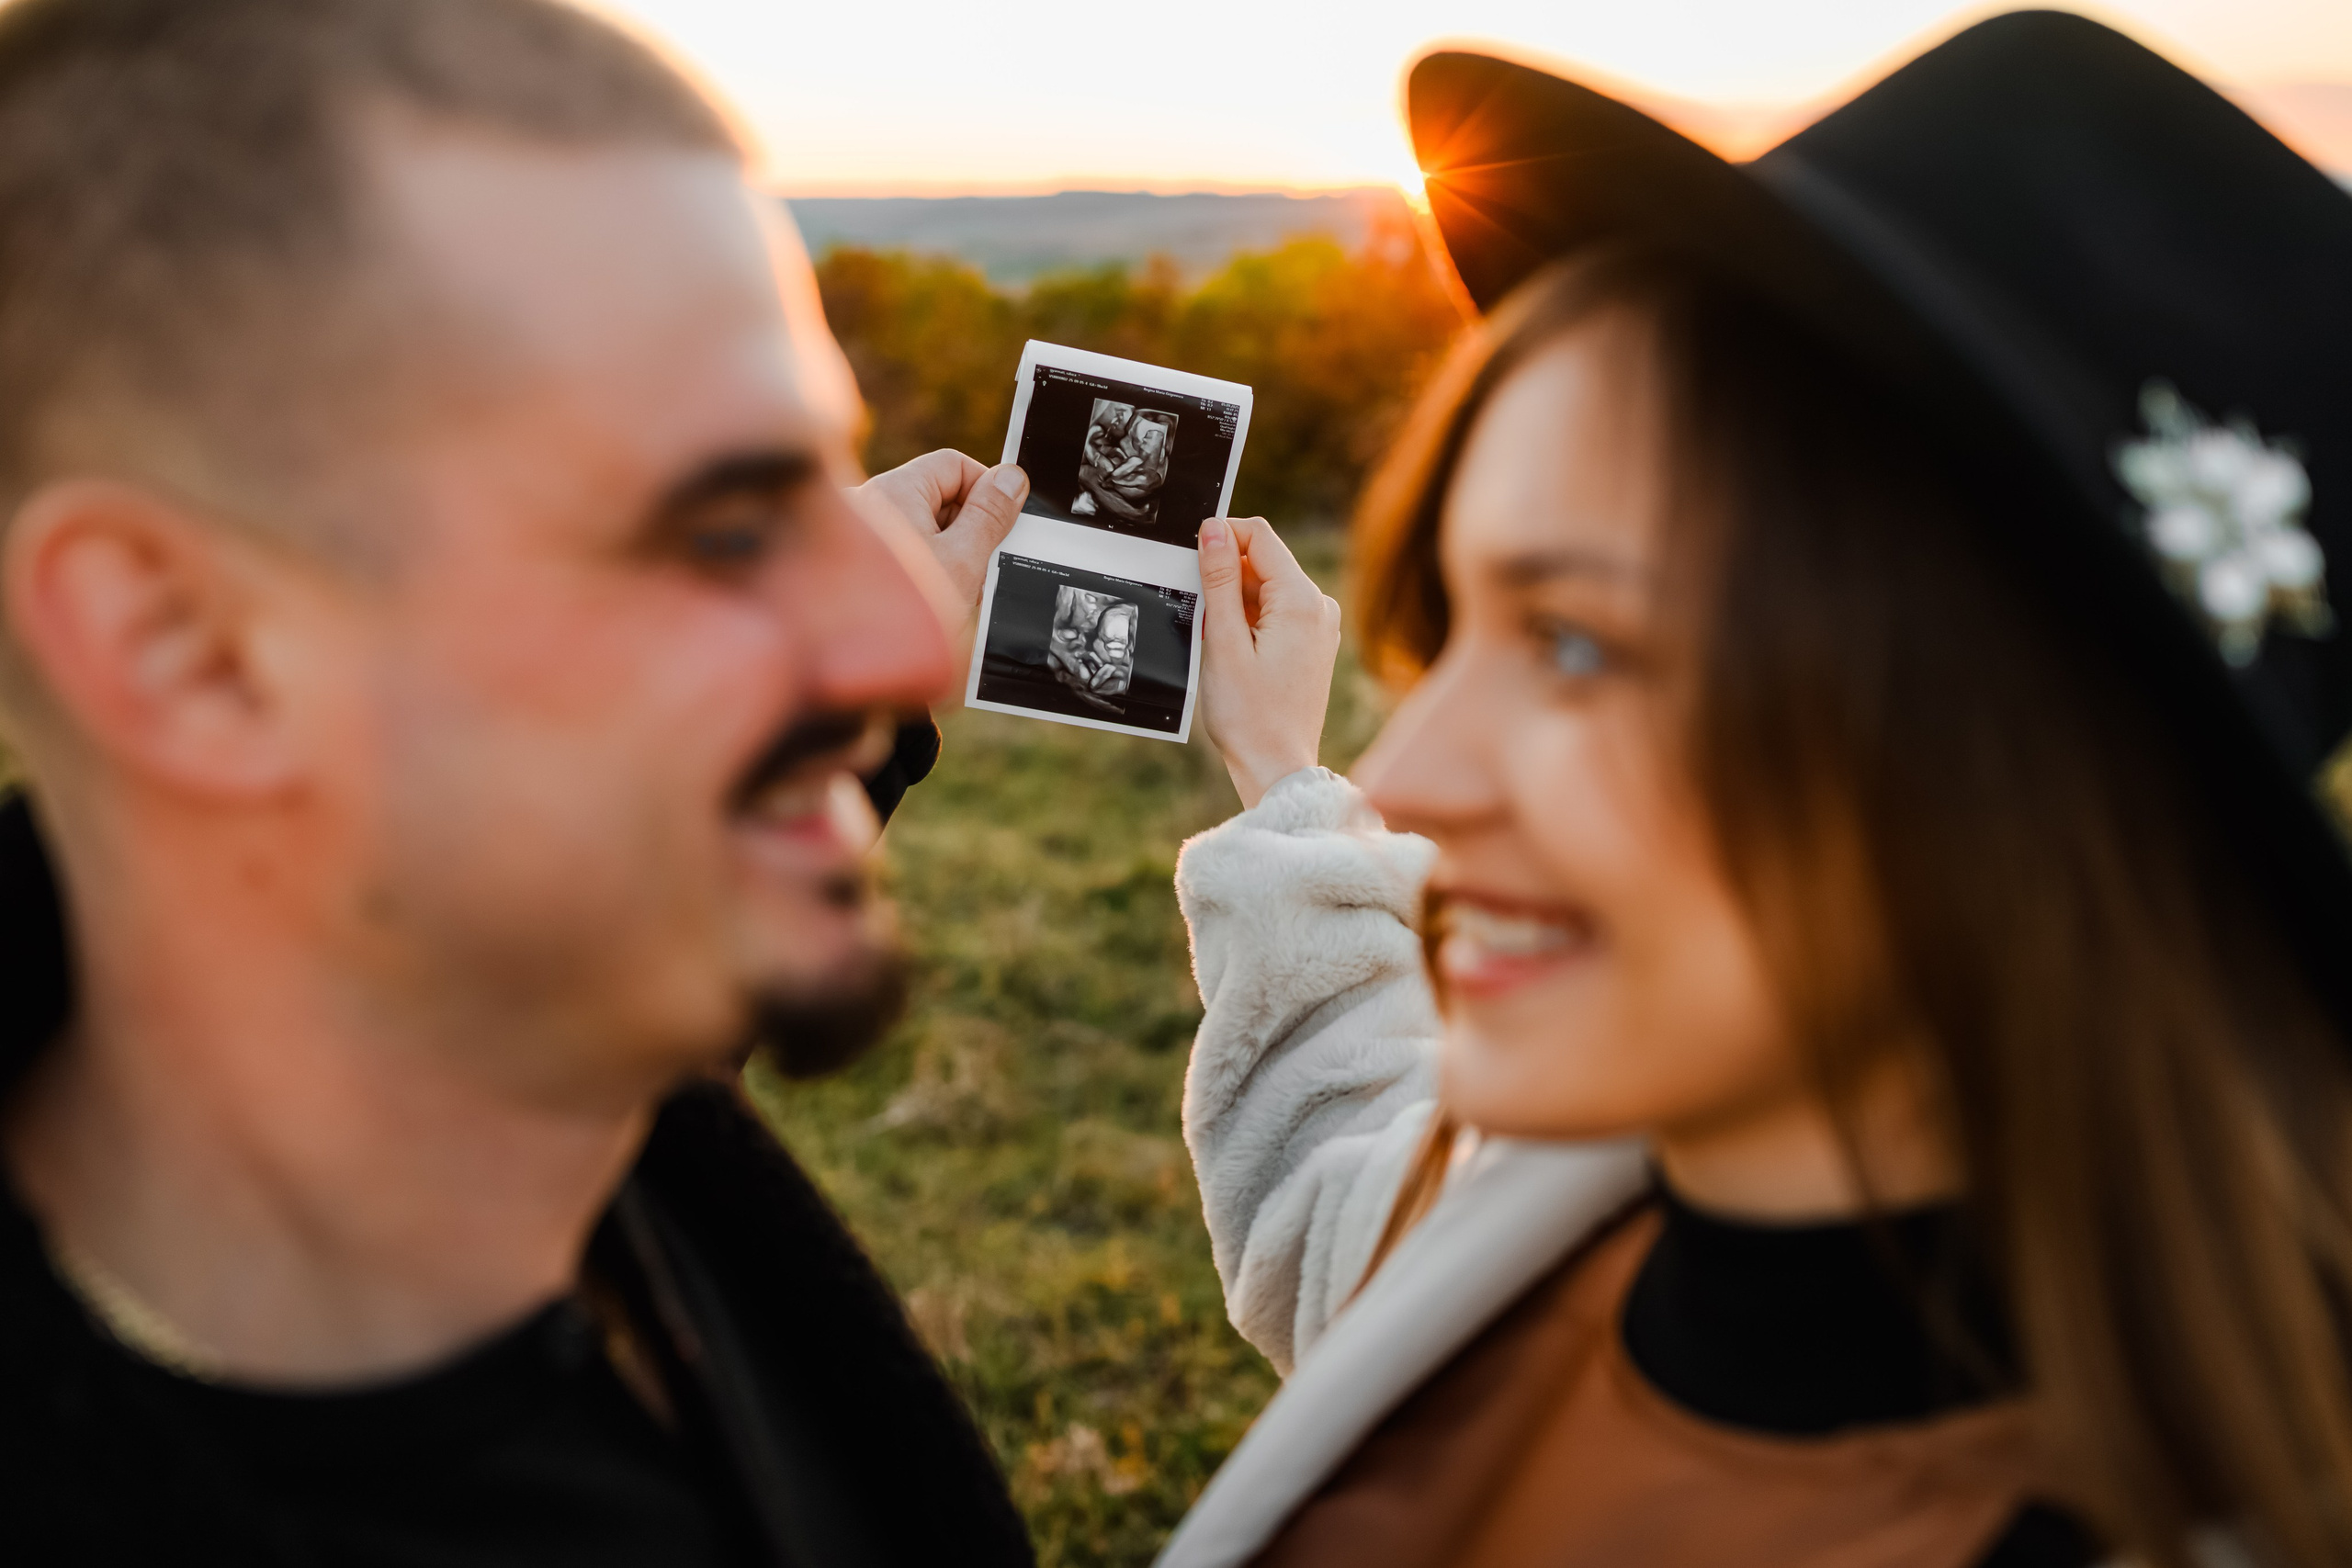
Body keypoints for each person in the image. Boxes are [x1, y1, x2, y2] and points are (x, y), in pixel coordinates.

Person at [1169, 13, 2352, 1568]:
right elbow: (1345, 1214)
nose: (1409, 782)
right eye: (1457, 625)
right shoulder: (1558, 1206)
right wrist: (1283, 784)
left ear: (1991, 764)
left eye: (1577, 645)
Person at [0, 0, 1038, 1562]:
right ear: (189, 653)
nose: (914, 639)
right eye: (722, 525)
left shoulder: (546, 1091)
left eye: (822, 480)